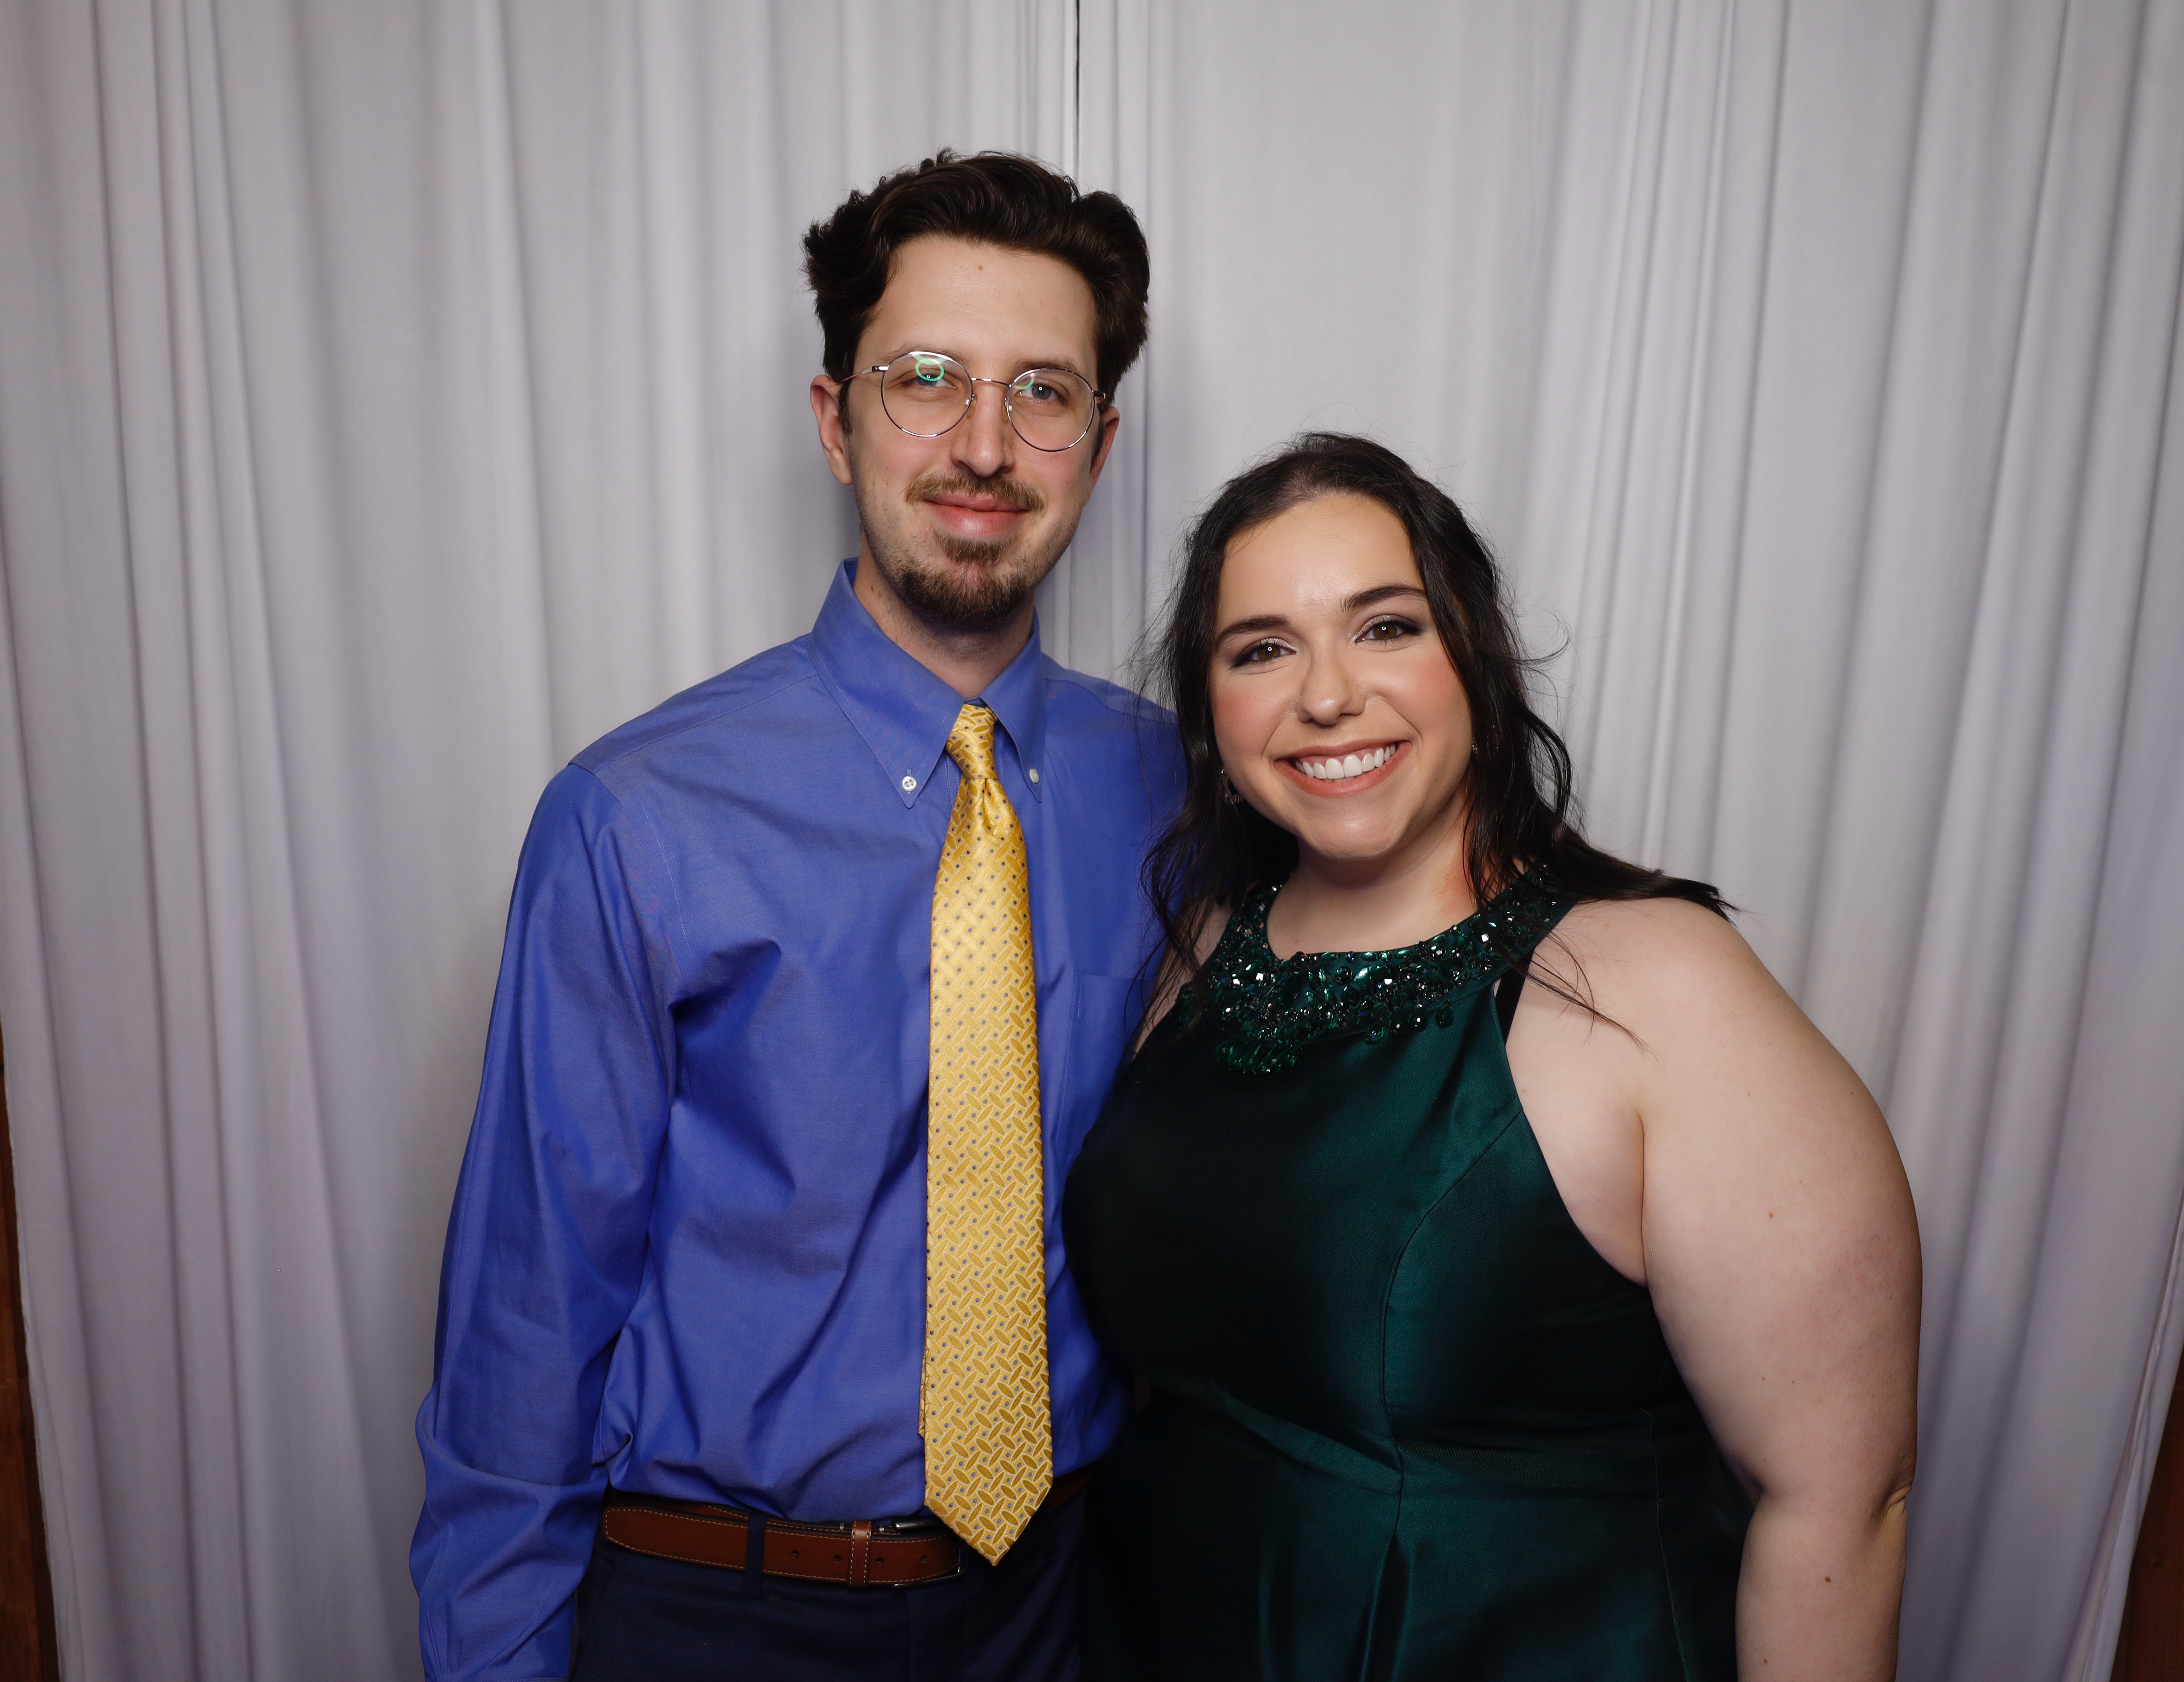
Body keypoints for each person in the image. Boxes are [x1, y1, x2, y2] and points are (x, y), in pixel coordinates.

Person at [411, 151, 1177, 1682]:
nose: (983, 445)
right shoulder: (637, 817)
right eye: (925, 380)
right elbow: (528, 1326)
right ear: (836, 422)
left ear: (1098, 447)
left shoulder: (1178, 794)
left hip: (1065, 1604)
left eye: (1041, 392)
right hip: (722, 1613)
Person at [1063, 433, 1922, 1681]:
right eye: (1262, 649)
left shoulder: (1659, 987)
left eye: (1385, 627)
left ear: (1474, 654)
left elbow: (1841, 1501)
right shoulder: (1199, 953)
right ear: (1213, 714)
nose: (1326, 695)